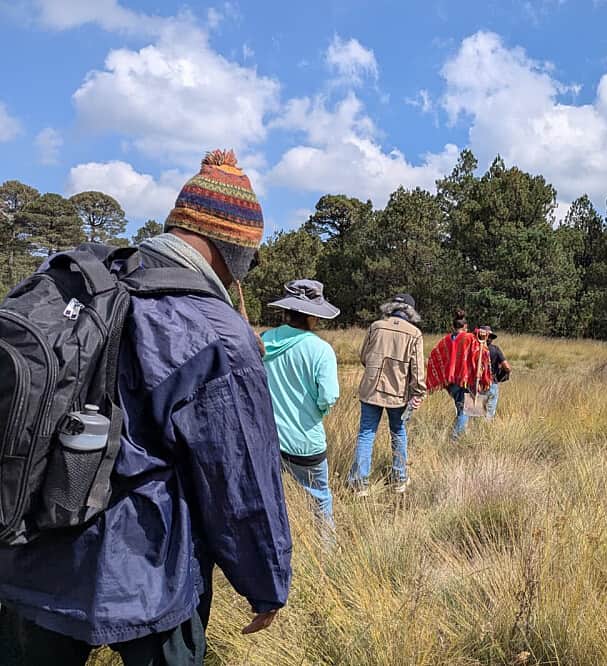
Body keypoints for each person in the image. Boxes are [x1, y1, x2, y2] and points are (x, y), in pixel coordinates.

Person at [0, 150, 292, 665]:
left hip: (29, 555)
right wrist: (266, 583)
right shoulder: (217, 333)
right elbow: (242, 479)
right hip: (147, 577)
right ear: (233, 253)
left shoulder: (79, 283)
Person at [262, 280, 341, 523]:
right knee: (320, 497)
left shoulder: (263, 340)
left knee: (272, 497)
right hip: (305, 441)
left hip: (267, 437)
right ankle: (327, 554)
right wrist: (319, 410)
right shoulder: (320, 350)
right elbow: (328, 396)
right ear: (312, 316)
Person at [348, 294, 427, 496]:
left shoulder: (376, 326)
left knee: (366, 434)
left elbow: (364, 356)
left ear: (391, 307)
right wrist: (418, 391)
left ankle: (359, 483)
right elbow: (418, 369)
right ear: (411, 311)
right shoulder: (414, 333)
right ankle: (399, 479)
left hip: (371, 389)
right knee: (398, 432)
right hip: (397, 392)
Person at [427, 310, 493, 439]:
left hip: (450, 382)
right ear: (465, 326)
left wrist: (444, 376)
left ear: (453, 326)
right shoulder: (469, 338)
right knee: (465, 411)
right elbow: (482, 353)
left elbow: (434, 357)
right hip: (465, 380)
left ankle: (467, 436)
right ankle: (455, 439)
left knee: (464, 408)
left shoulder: (445, 340)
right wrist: (483, 341)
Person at [479, 326, 512, 420]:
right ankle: (486, 432)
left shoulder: (475, 349)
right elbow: (508, 367)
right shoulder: (495, 349)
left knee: (475, 413)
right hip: (492, 383)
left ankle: (474, 433)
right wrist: (501, 374)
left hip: (476, 384)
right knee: (489, 414)